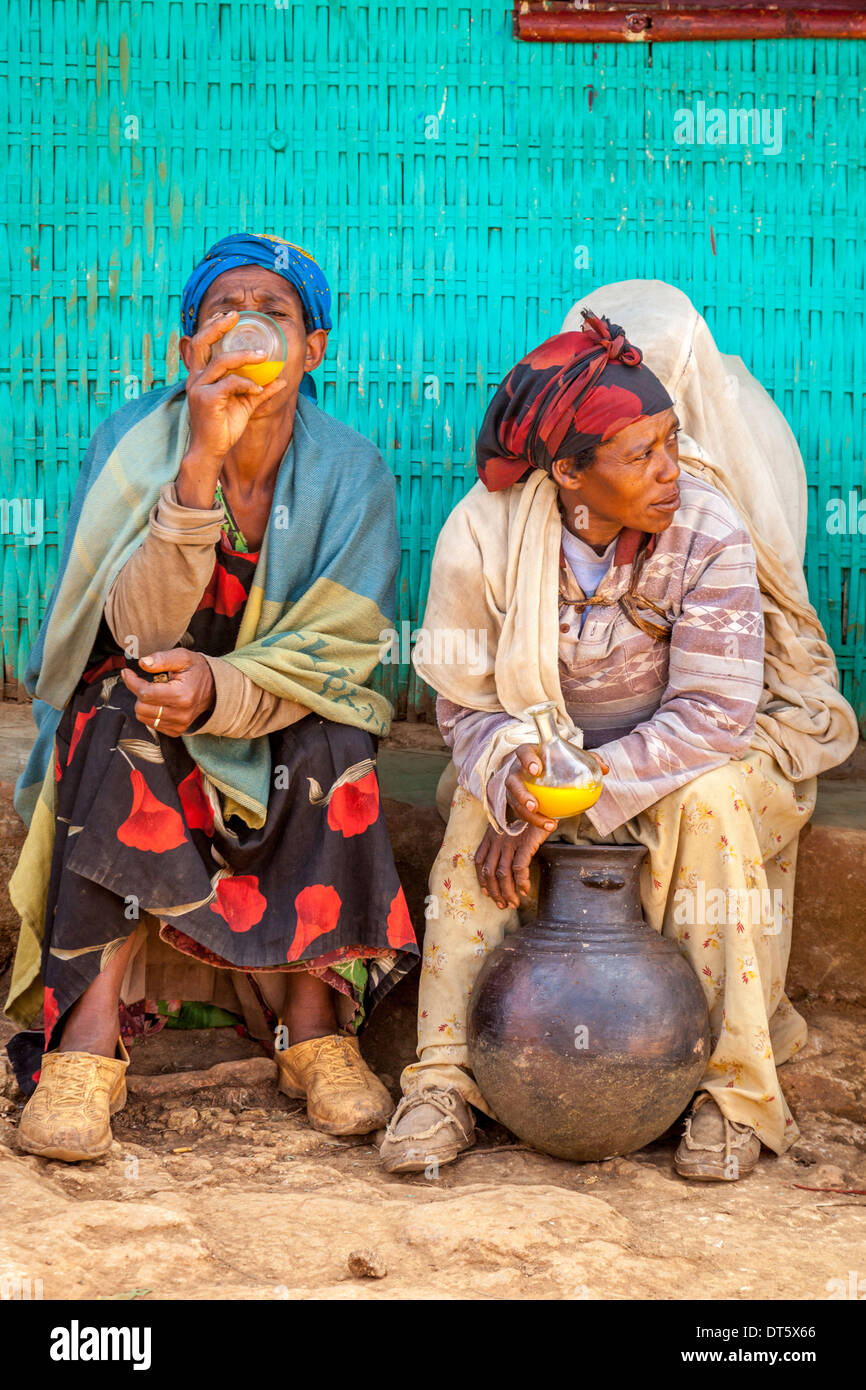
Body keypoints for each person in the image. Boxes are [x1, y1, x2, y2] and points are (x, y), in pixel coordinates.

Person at [380, 290, 857, 1180]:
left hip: (698, 758)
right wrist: (516, 774)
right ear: (567, 474)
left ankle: (732, 1094)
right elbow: (463, 705)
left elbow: (717, 714)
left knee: (713, 807)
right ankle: (445, 1081)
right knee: (477, 829)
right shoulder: (482, 536)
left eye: (672, 440)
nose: (671, 468)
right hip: (540, 759)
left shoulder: (709, 527)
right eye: (642, 454)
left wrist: (586, 782)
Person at [6, 232, 418, 1162]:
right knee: (112, 721)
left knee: (334, 742)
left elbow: (340, 657)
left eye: (274, 311)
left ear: (314, 349)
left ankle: (314, 1029)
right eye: (222, 312)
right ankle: (86, 1044)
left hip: (276, 709)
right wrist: (198, 466)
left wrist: (226, 691)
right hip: (148, 696)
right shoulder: (132, 445)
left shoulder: (352, 472)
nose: (246, 328)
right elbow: (127, 633)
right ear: (188, 350)